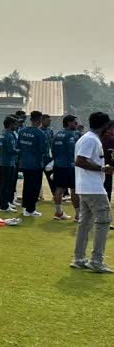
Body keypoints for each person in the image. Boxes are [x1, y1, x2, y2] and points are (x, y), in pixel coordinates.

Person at [72, 112, 114, 273]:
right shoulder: (91, 139)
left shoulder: (87, 138)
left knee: (85, 223)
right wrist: (103, 168)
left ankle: (79, 258)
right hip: (93, 187)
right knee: (103, 222)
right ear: (105, 126)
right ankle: (96, 260)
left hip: (86, 186)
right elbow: (80, 161)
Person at [17, 110, 49, 217]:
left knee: (27, 186)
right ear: (40, 120)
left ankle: (26, 208)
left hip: (25, 163)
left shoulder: (22, 131)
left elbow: (19, 147)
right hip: (36, 164)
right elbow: (43, 150)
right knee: (35, 187)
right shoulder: (40, 134)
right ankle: (30, 209)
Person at [51, 114, 80, 220]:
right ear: (69, 123)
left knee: (59, 189)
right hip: (69, 166)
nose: (76, 124)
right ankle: (78, 215)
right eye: (75, 122)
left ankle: (58, 213)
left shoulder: (57, 134)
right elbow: (73, 152)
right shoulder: (71, 135)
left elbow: (52, 149)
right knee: (74, 190)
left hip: (58, 165)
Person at [0, 115, 21, 212]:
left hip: (3, 161)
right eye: (15, 124)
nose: (16, 126)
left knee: (2, 183)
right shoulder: (9, 135)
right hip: (9, 162)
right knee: (6, 184)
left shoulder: (2, 133)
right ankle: (4, 206)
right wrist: (21, 150)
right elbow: (11, 150)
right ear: (10, 124)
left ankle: (0, 203)